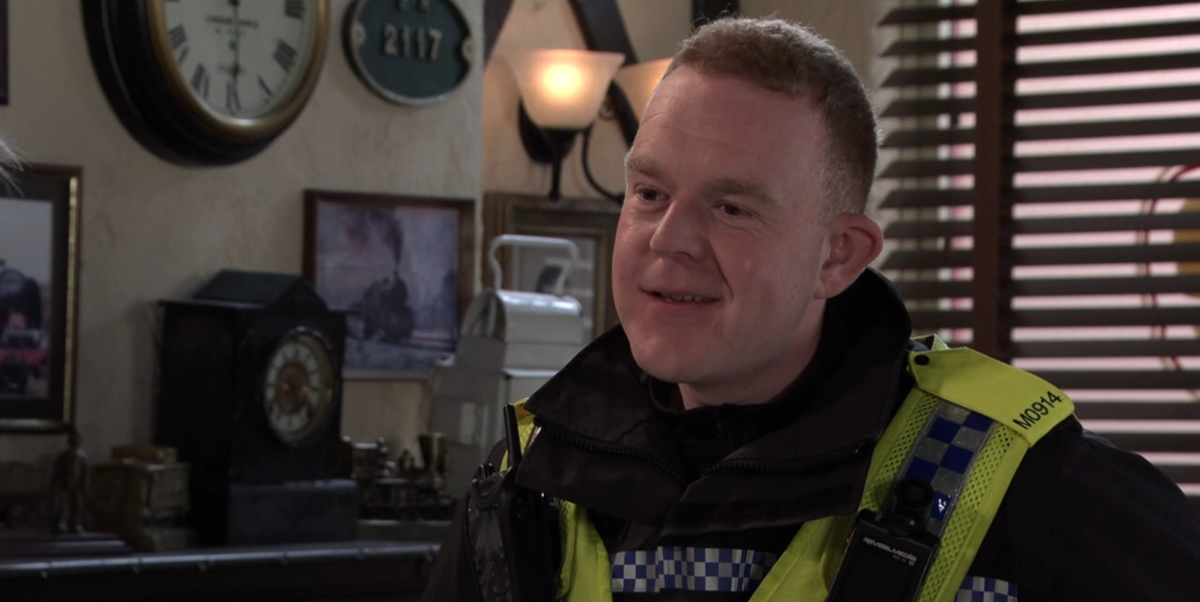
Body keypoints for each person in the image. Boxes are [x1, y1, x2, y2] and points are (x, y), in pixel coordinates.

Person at [425, 17, 1200, 601]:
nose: (669, 239)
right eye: (651, 193)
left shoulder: (1026, 485)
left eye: (731, 208)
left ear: (839, 256)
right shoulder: (527, 480)